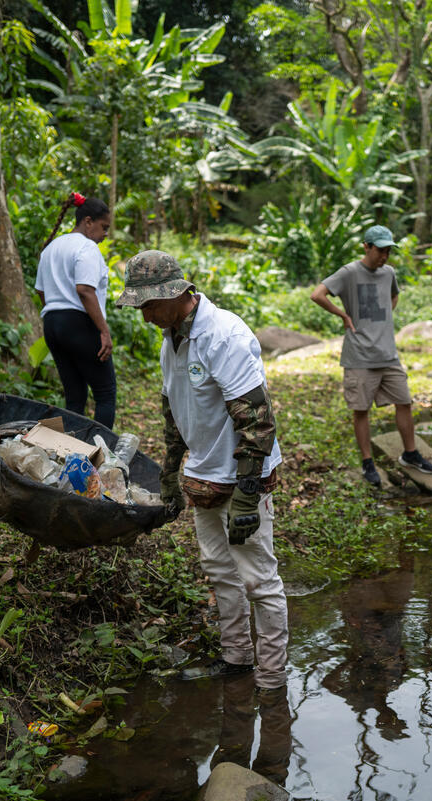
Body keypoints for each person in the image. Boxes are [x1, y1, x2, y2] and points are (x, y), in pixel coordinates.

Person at [115, 250, 288, 692]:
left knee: (259, 578)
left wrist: (248, 493)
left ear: (177, 294)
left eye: (150, 304)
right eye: (141, 305)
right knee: (218, 568)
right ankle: (236, 658)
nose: (144, 313)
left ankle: (271, 680)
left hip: (243, 473)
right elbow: (173, 413)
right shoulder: (169, 338)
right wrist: (171, 472)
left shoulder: (223, 335)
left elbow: (256, 417)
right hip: (206, 473)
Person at [310, 225, 432, 486]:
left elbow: (394, 296)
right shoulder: (349, 272)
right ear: (366, 247)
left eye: (388, 251)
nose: (385, 256)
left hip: (388, 354)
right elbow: (317, 295)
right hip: (360, 355)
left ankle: (410, 453)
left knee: (404, 401)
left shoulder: (389, 273)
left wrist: (384, 320)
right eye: (380, 250)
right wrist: (343, 315)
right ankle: (368, 462)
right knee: (361, 409)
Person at [34, 195, 116, 428]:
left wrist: (59, 318)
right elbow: (85, 290)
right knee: (105, 392)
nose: (105, 234)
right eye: (104, 227)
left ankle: (71, 451)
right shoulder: (87, 247)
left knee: (75, 396)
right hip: (80, 323)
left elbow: (41, 291)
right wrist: (103, 331)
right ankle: (102, 455)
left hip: (52, 324)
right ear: (88, 222)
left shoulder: (52, 247)